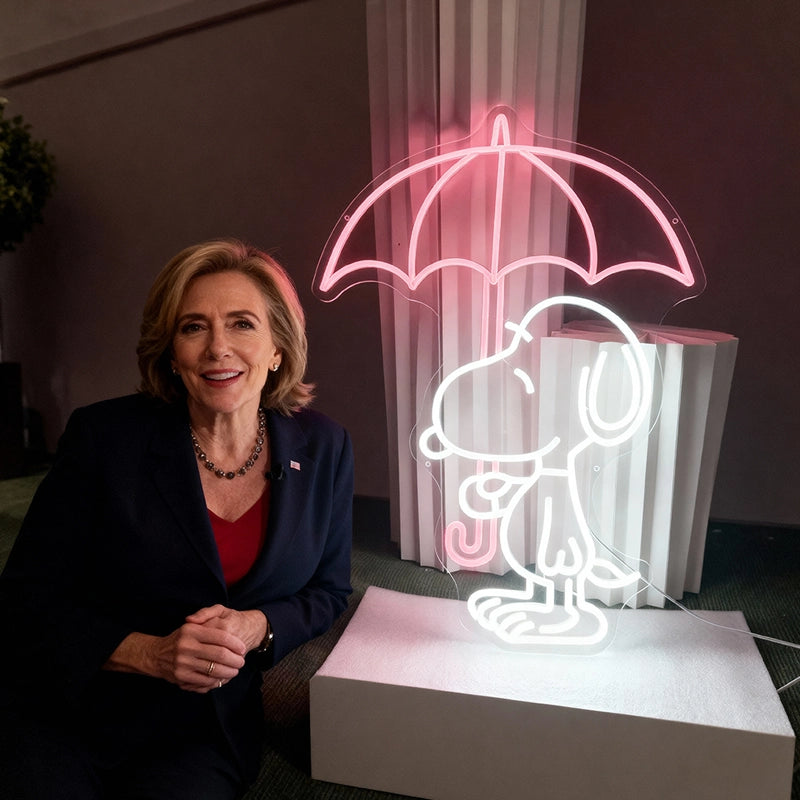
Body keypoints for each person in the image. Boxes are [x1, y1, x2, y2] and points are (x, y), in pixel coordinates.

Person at [0, 239, 353, 799]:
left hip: (205, 729)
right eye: (193, 327)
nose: (218, 348)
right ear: (170, 352)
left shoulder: (323, 446)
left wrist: (258, 625)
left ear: (278, 348)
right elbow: (24, 600)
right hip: (74, 708)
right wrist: (152, 653)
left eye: (242, 324)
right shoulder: (103, 439)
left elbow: (329, 590)